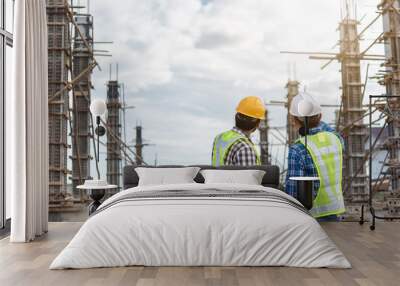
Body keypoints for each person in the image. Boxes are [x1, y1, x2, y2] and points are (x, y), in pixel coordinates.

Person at [285, 92, 345, 221]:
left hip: (311, 216)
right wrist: (314, 120)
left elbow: (293, 192)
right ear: (320, 116)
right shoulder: (337, 139)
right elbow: (326, 130)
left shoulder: (298, 149)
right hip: (335, 212)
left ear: (294, 120)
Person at [211, 96, 265, 167]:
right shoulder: (245, 148)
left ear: (236, 117)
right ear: (257, 124)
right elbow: (247, 178)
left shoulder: (219, 138)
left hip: (218, 178)